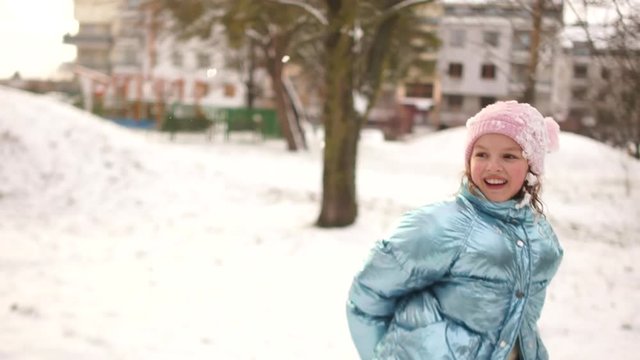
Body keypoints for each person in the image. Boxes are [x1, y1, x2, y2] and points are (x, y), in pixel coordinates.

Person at [346, 100, 563, 360]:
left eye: (509, 156)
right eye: (481, 154)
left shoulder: (542, 239)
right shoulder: (440, 226)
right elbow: (366, 296)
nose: (493, 166)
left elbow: (522, 322)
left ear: (532, 166)